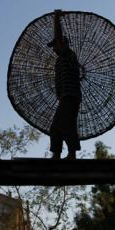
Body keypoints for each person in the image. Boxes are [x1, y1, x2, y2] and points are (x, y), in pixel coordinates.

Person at [48, 10, 81, 160]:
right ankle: (57, 154)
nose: (54, 48)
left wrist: (56, 19)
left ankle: (71, 153)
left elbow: (59, 37)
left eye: (56, 45)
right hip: (65, 97)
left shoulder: (69, 55)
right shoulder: (60, 60)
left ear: (63, 44)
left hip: (71, 96)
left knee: (66, 124)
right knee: (56, 126)